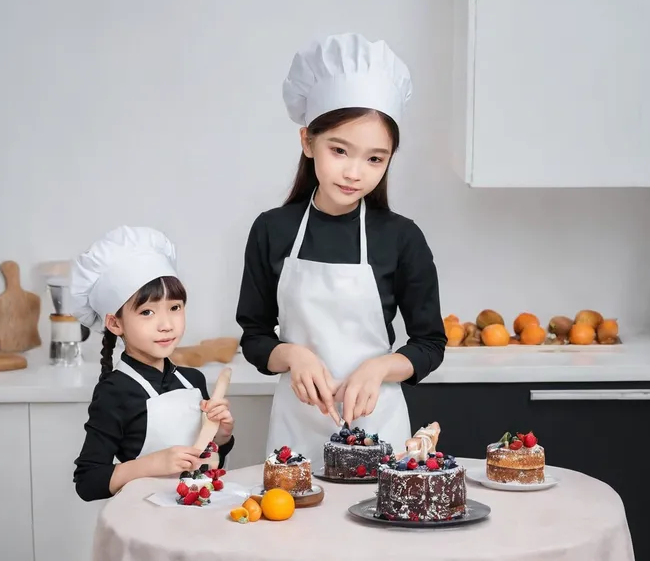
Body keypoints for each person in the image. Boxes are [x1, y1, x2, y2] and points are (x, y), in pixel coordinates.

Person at [236, 33, 447, 465]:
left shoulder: (402, 238)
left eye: (375, 158)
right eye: (339, 150)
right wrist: (291, 356)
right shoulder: (272, 230)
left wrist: (380, 368)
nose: (355, 173)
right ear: (307, 141)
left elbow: (430, 343)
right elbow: (255, 338)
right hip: (295, 433)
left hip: (378, 427)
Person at [71, 226, 235, 502]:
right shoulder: (115, 392)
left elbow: (208, 457)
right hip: (145, 522)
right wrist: (152, 465)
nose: (167, 324)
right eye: (147, 312)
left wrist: (221, 436)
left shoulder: (193, 380)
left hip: (201, 514)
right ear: (115, 323)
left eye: (175, 307)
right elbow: (87, 482)